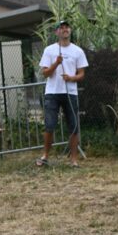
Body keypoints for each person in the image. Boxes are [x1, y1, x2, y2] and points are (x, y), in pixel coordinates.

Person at [36, 19, 88, 167]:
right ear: (57, 32)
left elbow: (82, 74)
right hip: (52, 93)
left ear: (70, 31)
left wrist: (71, 78)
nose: (65, 29)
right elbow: (45, 73)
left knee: (73, 126)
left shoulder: (77, 51)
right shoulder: (49, 50)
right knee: (49, 125)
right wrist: (56, 64)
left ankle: (74, 160)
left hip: (71, 93)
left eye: (67, 27)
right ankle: (45, 156)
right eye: (61, 27)